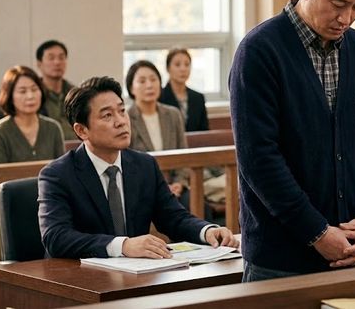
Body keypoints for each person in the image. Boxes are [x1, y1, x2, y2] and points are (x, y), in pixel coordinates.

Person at [229, 0, 355, 281]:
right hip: (278, 260)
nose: (346, 18)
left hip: (351, 251)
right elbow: (259, 160)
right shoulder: (259, 51)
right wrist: (316, 232)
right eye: (338, 4)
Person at [38, 76, 238, 259]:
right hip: (78, 277)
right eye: (107, 115)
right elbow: (56, 237)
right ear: (82, 130)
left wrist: (207, 231)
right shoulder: (58, 175)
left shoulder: (144, 165)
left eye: (122, 111)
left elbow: (173, 217)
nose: (121, 122)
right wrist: (122, 245)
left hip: (135, 274)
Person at [125, 60, 200, 215]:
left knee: (198, 205)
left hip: (175, 187)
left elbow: (184, 156)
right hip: (142, 189)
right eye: (142, 81)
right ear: (131, 88)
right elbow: (127, 164)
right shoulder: (126, 119)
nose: (149, 85)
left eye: (153, 79)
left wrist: (179, 183)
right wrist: (160, 188)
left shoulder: (173, 114)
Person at [0, 66, 64, 164]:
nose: (30, 96)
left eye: (34, 89)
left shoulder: (53, 128)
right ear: (10, 96)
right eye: (22, 91)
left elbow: (62, 169)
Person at [160, 48, 209, 132]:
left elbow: (204, 132)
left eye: (187, 64)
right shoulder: (159, 96)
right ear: (168, 68)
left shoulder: (198, 98)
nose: (183, 69)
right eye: (177, 65)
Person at [35, 40, 75, 140]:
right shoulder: (34, 95)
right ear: (39, 64)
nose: (57, 62)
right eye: (51, 58)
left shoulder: (75, 94)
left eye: (61, 58)